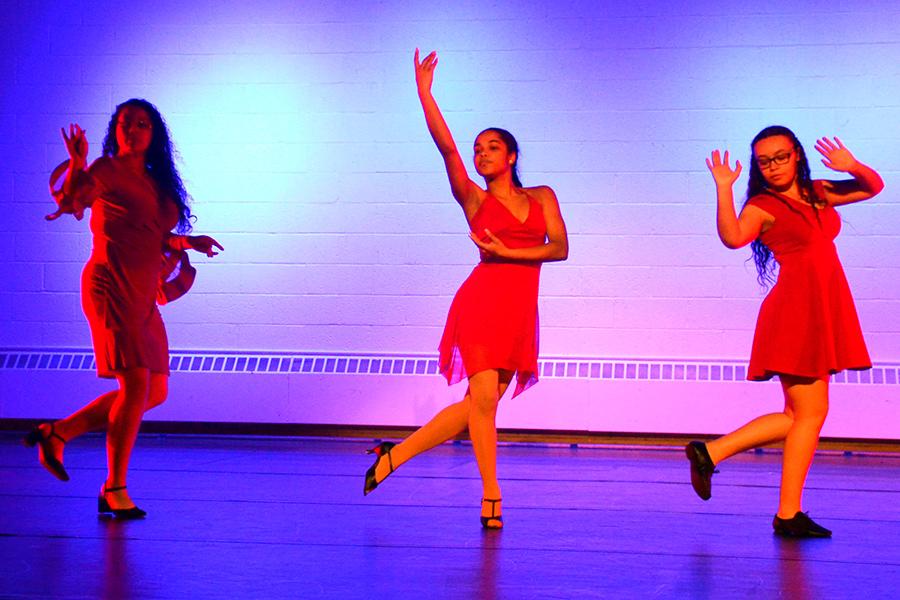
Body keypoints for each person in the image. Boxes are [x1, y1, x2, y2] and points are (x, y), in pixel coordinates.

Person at [363, 50, 569, 529]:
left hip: (519, 309)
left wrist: (506, 252)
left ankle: (394, 456)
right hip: (481, 303)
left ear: (512, 155)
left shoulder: (543, 196)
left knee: (481, 405)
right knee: (483, 402)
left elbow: (559, 249)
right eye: (479, 148)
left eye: (492, 147)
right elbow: (447, 149)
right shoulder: (472, 197)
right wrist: (424, 93)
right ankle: (492, 496)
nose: (481, 153)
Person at [24, 99, 223, 519]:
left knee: (156, 391)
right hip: (110, 286)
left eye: (142, 124)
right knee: (135, 384)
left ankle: (59, 433)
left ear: (155, 136)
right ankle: (114, 487)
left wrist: (191, 241)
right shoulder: (104, 170)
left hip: (141, 294)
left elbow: (154, 236)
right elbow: (72, 202)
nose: (132, 130)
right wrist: (77, 163)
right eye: (125, 123)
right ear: (115, 130)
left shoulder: (156, 183)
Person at [688, 126, 884, 537]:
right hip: (795, 312)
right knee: (810, 414)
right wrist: (724, 187)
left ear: (795, 155)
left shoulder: (818, 192)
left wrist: (852, 165)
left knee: (800, 415)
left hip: (819, 308)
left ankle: (716, 454)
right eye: (764, 161)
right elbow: (732, 237)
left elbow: (872, 187)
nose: (773, 166)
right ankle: (784, 511)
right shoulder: (762, 205)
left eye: (780, 157)